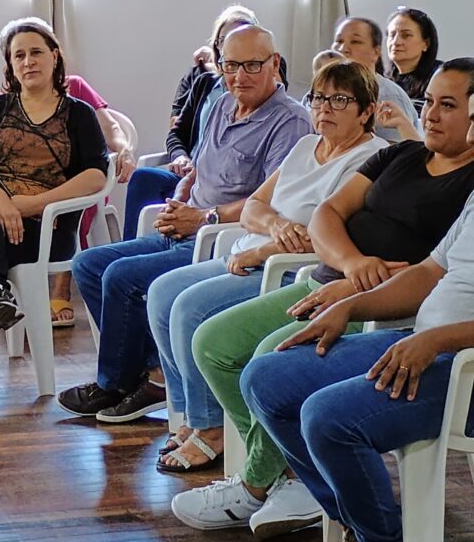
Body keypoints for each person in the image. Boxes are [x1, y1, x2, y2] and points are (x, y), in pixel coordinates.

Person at [175, 59, 474, 541]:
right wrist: (347, 282)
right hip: (342, 285)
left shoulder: (469, 182)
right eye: (429, 102)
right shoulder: (428, 168)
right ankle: (297, 484)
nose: (431, 114)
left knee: (301, 393)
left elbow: (416, 267)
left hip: (437, 343)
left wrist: (362, 295)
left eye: (460, 110)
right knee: (241, 359)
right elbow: (332, 217)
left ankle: (297, 498)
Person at [58, 26, 312, 422]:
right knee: (89, 264)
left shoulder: (290, 122)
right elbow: (198, 168)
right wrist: (179, 198)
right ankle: (149, 374)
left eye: (252, 65)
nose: (239, 76)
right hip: (187, 222)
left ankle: (116, 384)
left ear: (274, 64)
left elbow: (272, 201)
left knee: (122, 277)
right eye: (231, 65)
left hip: (219, 238)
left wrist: (202, 218)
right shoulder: (221, 105)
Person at [149, 61, 387, 474]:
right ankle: (195, 414)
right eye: (318, 98)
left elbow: (337, 234)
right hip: (255, 248)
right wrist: (275, 224)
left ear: (366, 110)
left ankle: (213, 430)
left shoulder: (370, 160)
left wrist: (266, 250)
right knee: (161, 293)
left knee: (189, 309)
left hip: (290, 268)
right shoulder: (304, 147)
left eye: (340, 100)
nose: (324, 108)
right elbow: (254, 206)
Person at [0, 18, 108, 404]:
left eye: (36, 52)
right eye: (18, 55)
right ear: (10, 65)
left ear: (54, 56)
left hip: (46, 232)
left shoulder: (78, 114)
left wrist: (33, 204)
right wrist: (2, 201)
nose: (28, 61)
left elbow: (95, 176)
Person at [124, 6, 260, 241]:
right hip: (190, 172)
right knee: (143, 177)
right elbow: (176, 133)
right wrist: (180, 157)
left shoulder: (262, 91)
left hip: (227, 185)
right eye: (223, 40)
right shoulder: (204, 84)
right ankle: (137, 245)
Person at [49, 73, 135, 326]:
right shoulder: (9, 96)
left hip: (79, 181)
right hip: (33, 182)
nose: (29, 62)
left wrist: (123, 151)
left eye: (37, 52)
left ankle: (61, 286)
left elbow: (110, 127)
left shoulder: (73, 85)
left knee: (76, 191)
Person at [330, 16, 420, 143]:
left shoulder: (387, 95)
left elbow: (398, 154)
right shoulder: (322, 90)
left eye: (355, 41)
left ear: (375, 52)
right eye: (339, 41)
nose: (343, 49)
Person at [386, 6, 441, 112]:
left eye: (406, 35)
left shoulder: (439, 77)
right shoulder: (383, 82)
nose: (396, 42)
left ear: (426, 44)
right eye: (392, 35)